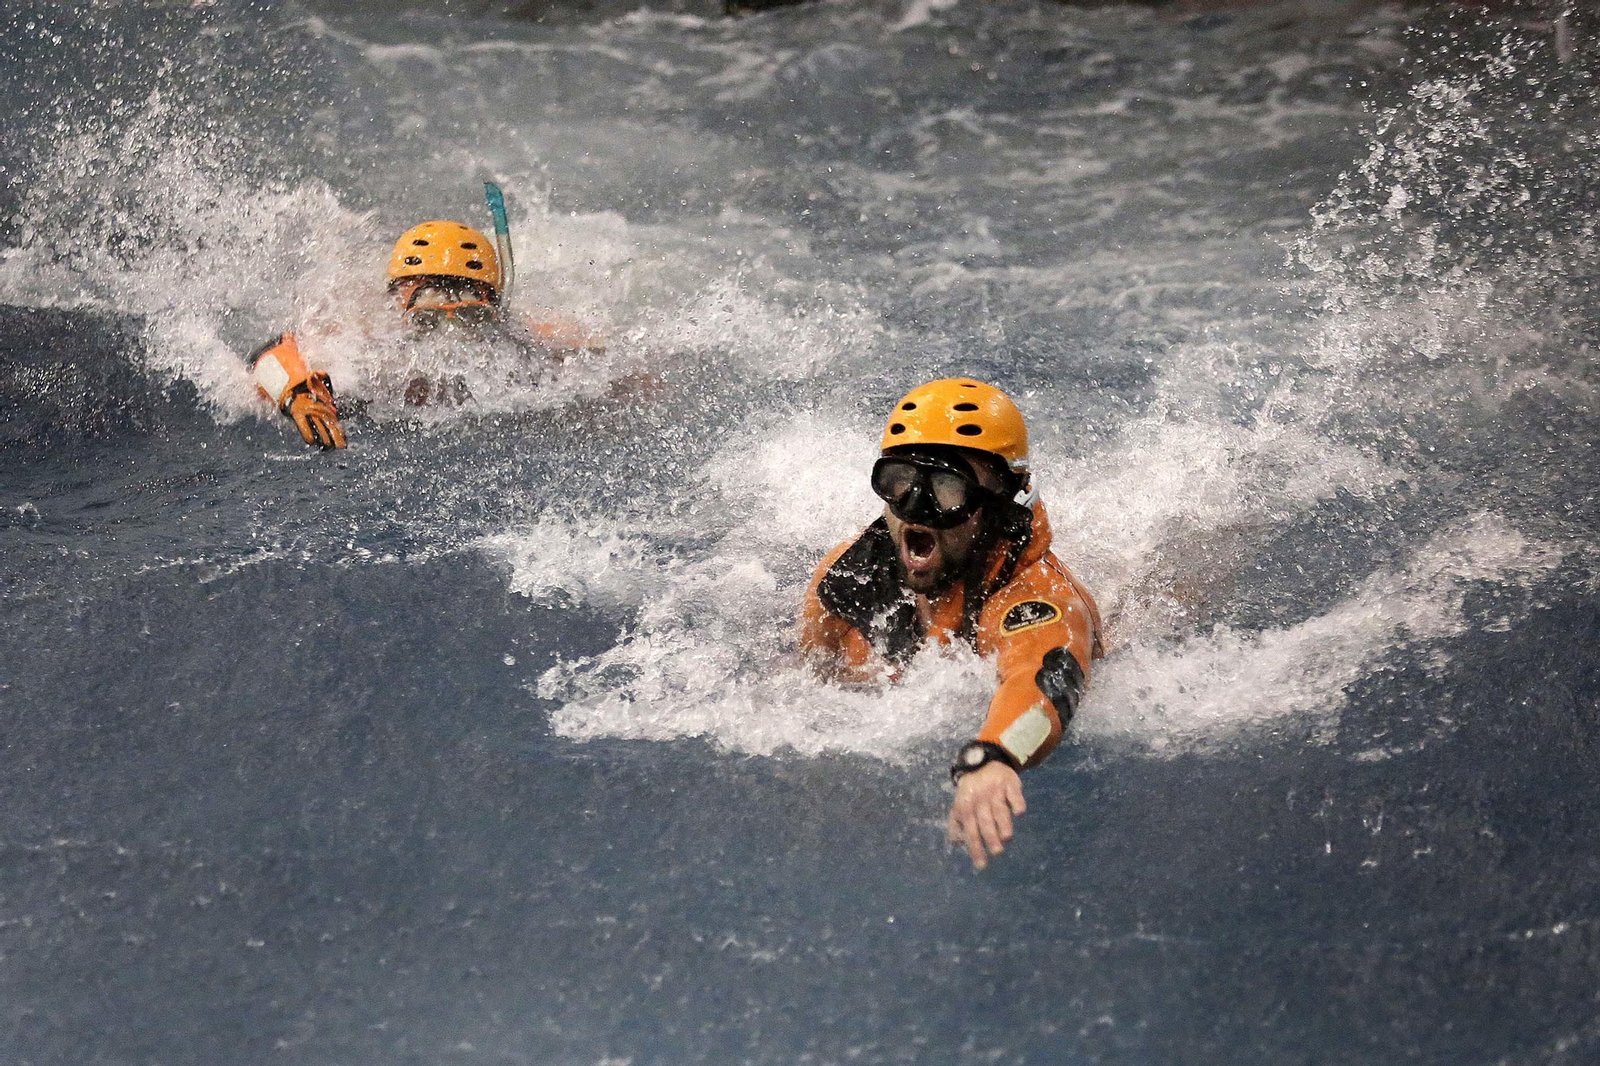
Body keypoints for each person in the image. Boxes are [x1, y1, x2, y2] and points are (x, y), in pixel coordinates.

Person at [800, 378, 1104, 870]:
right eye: (901, 482)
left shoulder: (1035, 596)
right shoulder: (847, 579)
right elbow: (811, 677)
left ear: (1002, 501)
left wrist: (997, 755)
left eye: (946, 488)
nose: (918, 510)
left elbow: (1047, 679)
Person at [247, 219, 602, 449]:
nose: (447, 332)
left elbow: (613, 364)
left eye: (469, 316)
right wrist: (296, 392)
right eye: (427, 315)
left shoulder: (531, 333)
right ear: (397, 298)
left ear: (494, 304)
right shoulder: (364, 334)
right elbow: (270, 354)